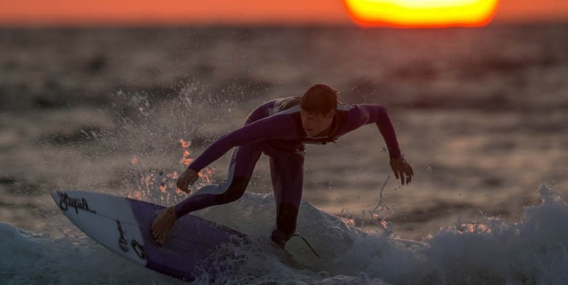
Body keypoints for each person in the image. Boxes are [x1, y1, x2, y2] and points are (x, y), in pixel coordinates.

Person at [150, 84, 414, 247]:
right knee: (232, 191)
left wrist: (395, 156)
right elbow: (232, 138)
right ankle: (173, 213)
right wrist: (194, 167)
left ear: (329, 115)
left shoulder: (352, 117)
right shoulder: (284, 122)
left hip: (289, 147)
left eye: (312, 119)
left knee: (287, 225)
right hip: (262, 131)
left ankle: (272, 254)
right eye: (303, 116)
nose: (306, 123)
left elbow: (381, 112)